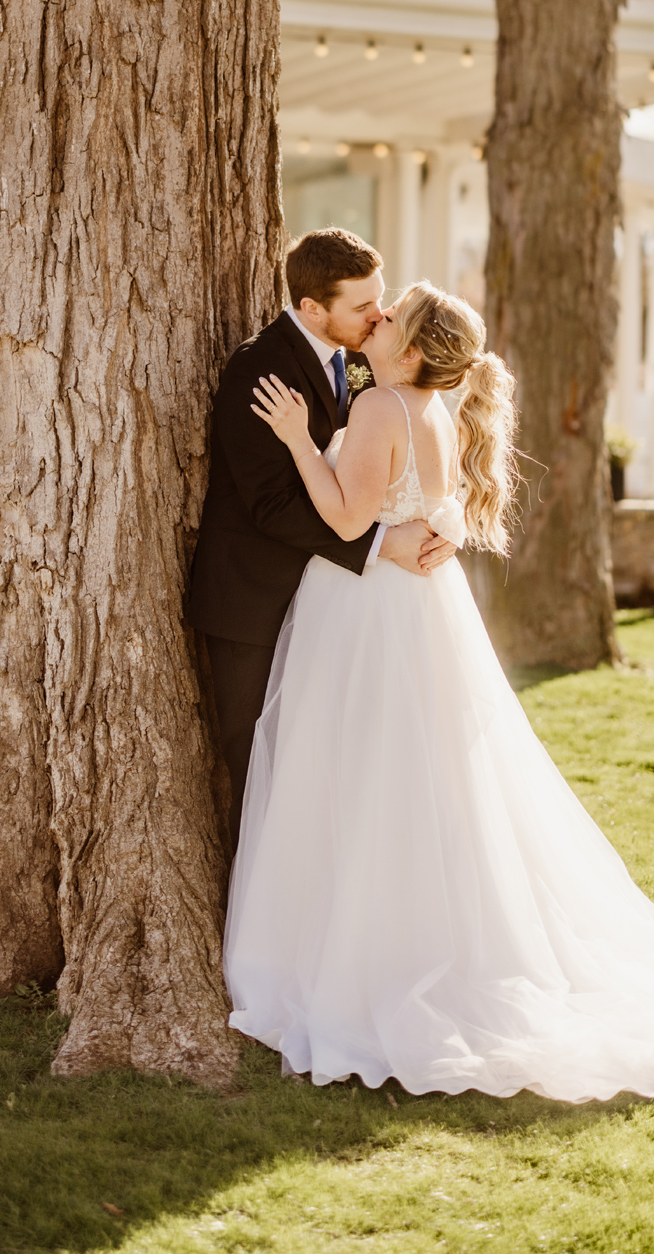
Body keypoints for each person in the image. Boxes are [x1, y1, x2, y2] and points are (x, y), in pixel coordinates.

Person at [222, 278, 654, 1105]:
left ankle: (341, 952)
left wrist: (296, 440)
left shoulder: (384, 407)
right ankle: (395, 935)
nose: (377, 320)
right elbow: (438, 508)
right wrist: (436, 531)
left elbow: (348, 522)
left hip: (363, 613)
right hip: (418, 612)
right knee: (413, 776)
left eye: (391, 317)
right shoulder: (435, 413)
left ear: (411, 351)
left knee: (349, 766)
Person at [186, 228, 456, 862]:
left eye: (380, 300)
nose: (379, 315)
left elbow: (396, 460)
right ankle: (255, 917)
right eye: (363, 306)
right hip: (253, 600)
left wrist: (440, 521)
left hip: (332, 604)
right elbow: (272, 505)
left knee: (332, 765)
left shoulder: (364, 356)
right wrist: (382, 543)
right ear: (312, 308)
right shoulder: (260, 368)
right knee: (258, 761)